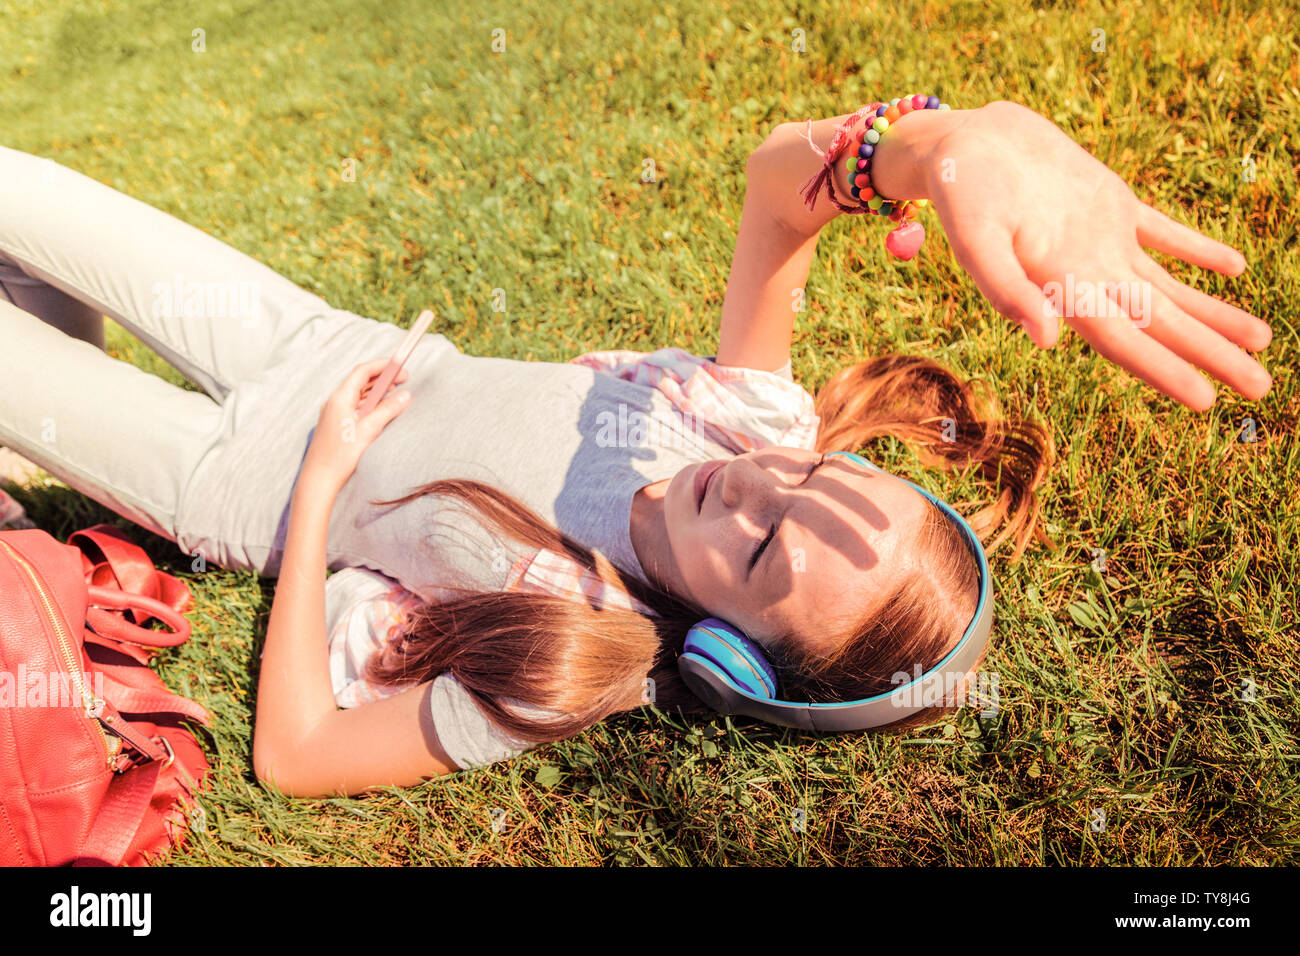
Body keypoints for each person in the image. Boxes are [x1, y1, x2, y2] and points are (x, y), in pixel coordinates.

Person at [0, 98, 1271, 797]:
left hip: (237, 479)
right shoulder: (748, 425)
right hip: (310, 333)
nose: (757, 483)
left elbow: (295, 755)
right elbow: (778, 192)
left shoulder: (576, 656)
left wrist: (326, 479)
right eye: (815, 476)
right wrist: (935, 148)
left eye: (763, 550)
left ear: (730, 652)